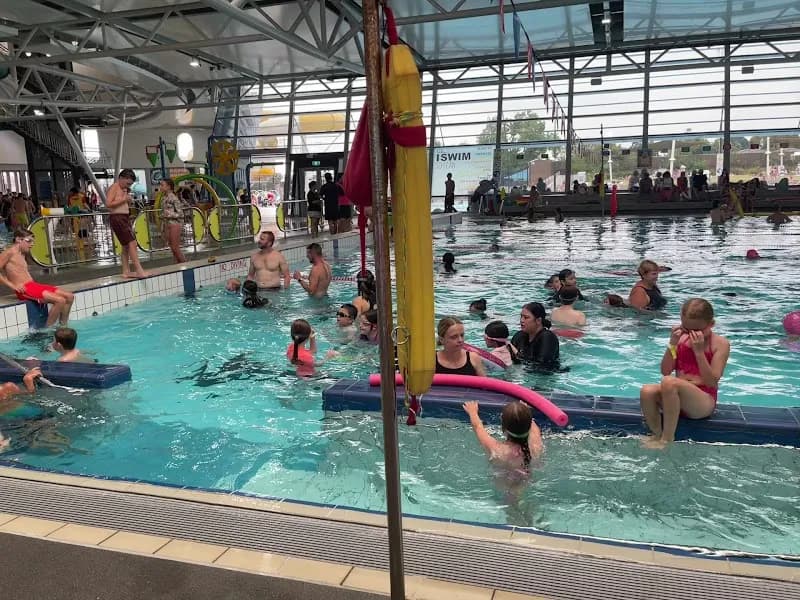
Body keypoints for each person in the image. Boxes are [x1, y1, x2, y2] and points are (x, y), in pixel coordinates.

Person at [639, 298, 730, 448]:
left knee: (670, 382)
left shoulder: (720, 344)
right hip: (675, 397)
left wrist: (699, 352)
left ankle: (667, 438)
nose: (692, 335)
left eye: (697, 331)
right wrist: (672, 343)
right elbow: (665, 371)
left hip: (702, 401)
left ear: (711, 324)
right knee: (647, 391)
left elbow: (711, 382)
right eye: (687, 329)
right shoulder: (681, 339)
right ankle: (656, 434)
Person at [0, 229, 74, 327]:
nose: (32, 244)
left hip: (33, 285)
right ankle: (48, 330)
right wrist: (14, 286)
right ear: (18, 239)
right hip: (24, 290)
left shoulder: (22, 253)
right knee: (60, 300)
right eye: (29, 241)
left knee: (69, 296)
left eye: (33, 241)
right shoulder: (9, 253)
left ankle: (63, 326)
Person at [462, 400, 542, 473]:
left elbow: (478, 427)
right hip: (527, 483)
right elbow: (531, 424)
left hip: (503, 484)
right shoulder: (535, 445)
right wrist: (523, 412)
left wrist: (472, 412)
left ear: (503, 427)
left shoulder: (498, 450)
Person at [106, 169, 149, 279]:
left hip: (123, 218)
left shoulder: (123, 189)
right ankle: (139, 270)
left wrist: (127, 200)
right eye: (127, 183)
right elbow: (108, 204)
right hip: (118, 218)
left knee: (125, 246)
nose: (128, 186)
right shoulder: (115, 187)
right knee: (132, 243)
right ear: (121, 178)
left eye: (130, 184)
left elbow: (122, 203)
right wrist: (124, 199)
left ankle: (126, 271)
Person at [510, 302, 560, 369]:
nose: (521, 320)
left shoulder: (548, 337)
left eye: (526, 317)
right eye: (521, 316)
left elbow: (542, 365)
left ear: (538, 320)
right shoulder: (519, 336)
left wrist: (517, 354)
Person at [159, 178, 187, 264]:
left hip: (175, 224)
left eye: (162, 185)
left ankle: (185, 265)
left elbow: (181, 214)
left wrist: (170, 214)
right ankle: (178, 265)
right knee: (172, 247)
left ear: (168, 186)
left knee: (175, 247)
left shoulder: (174, 198)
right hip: (167, 224)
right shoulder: (164, 198)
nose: (160, 187)